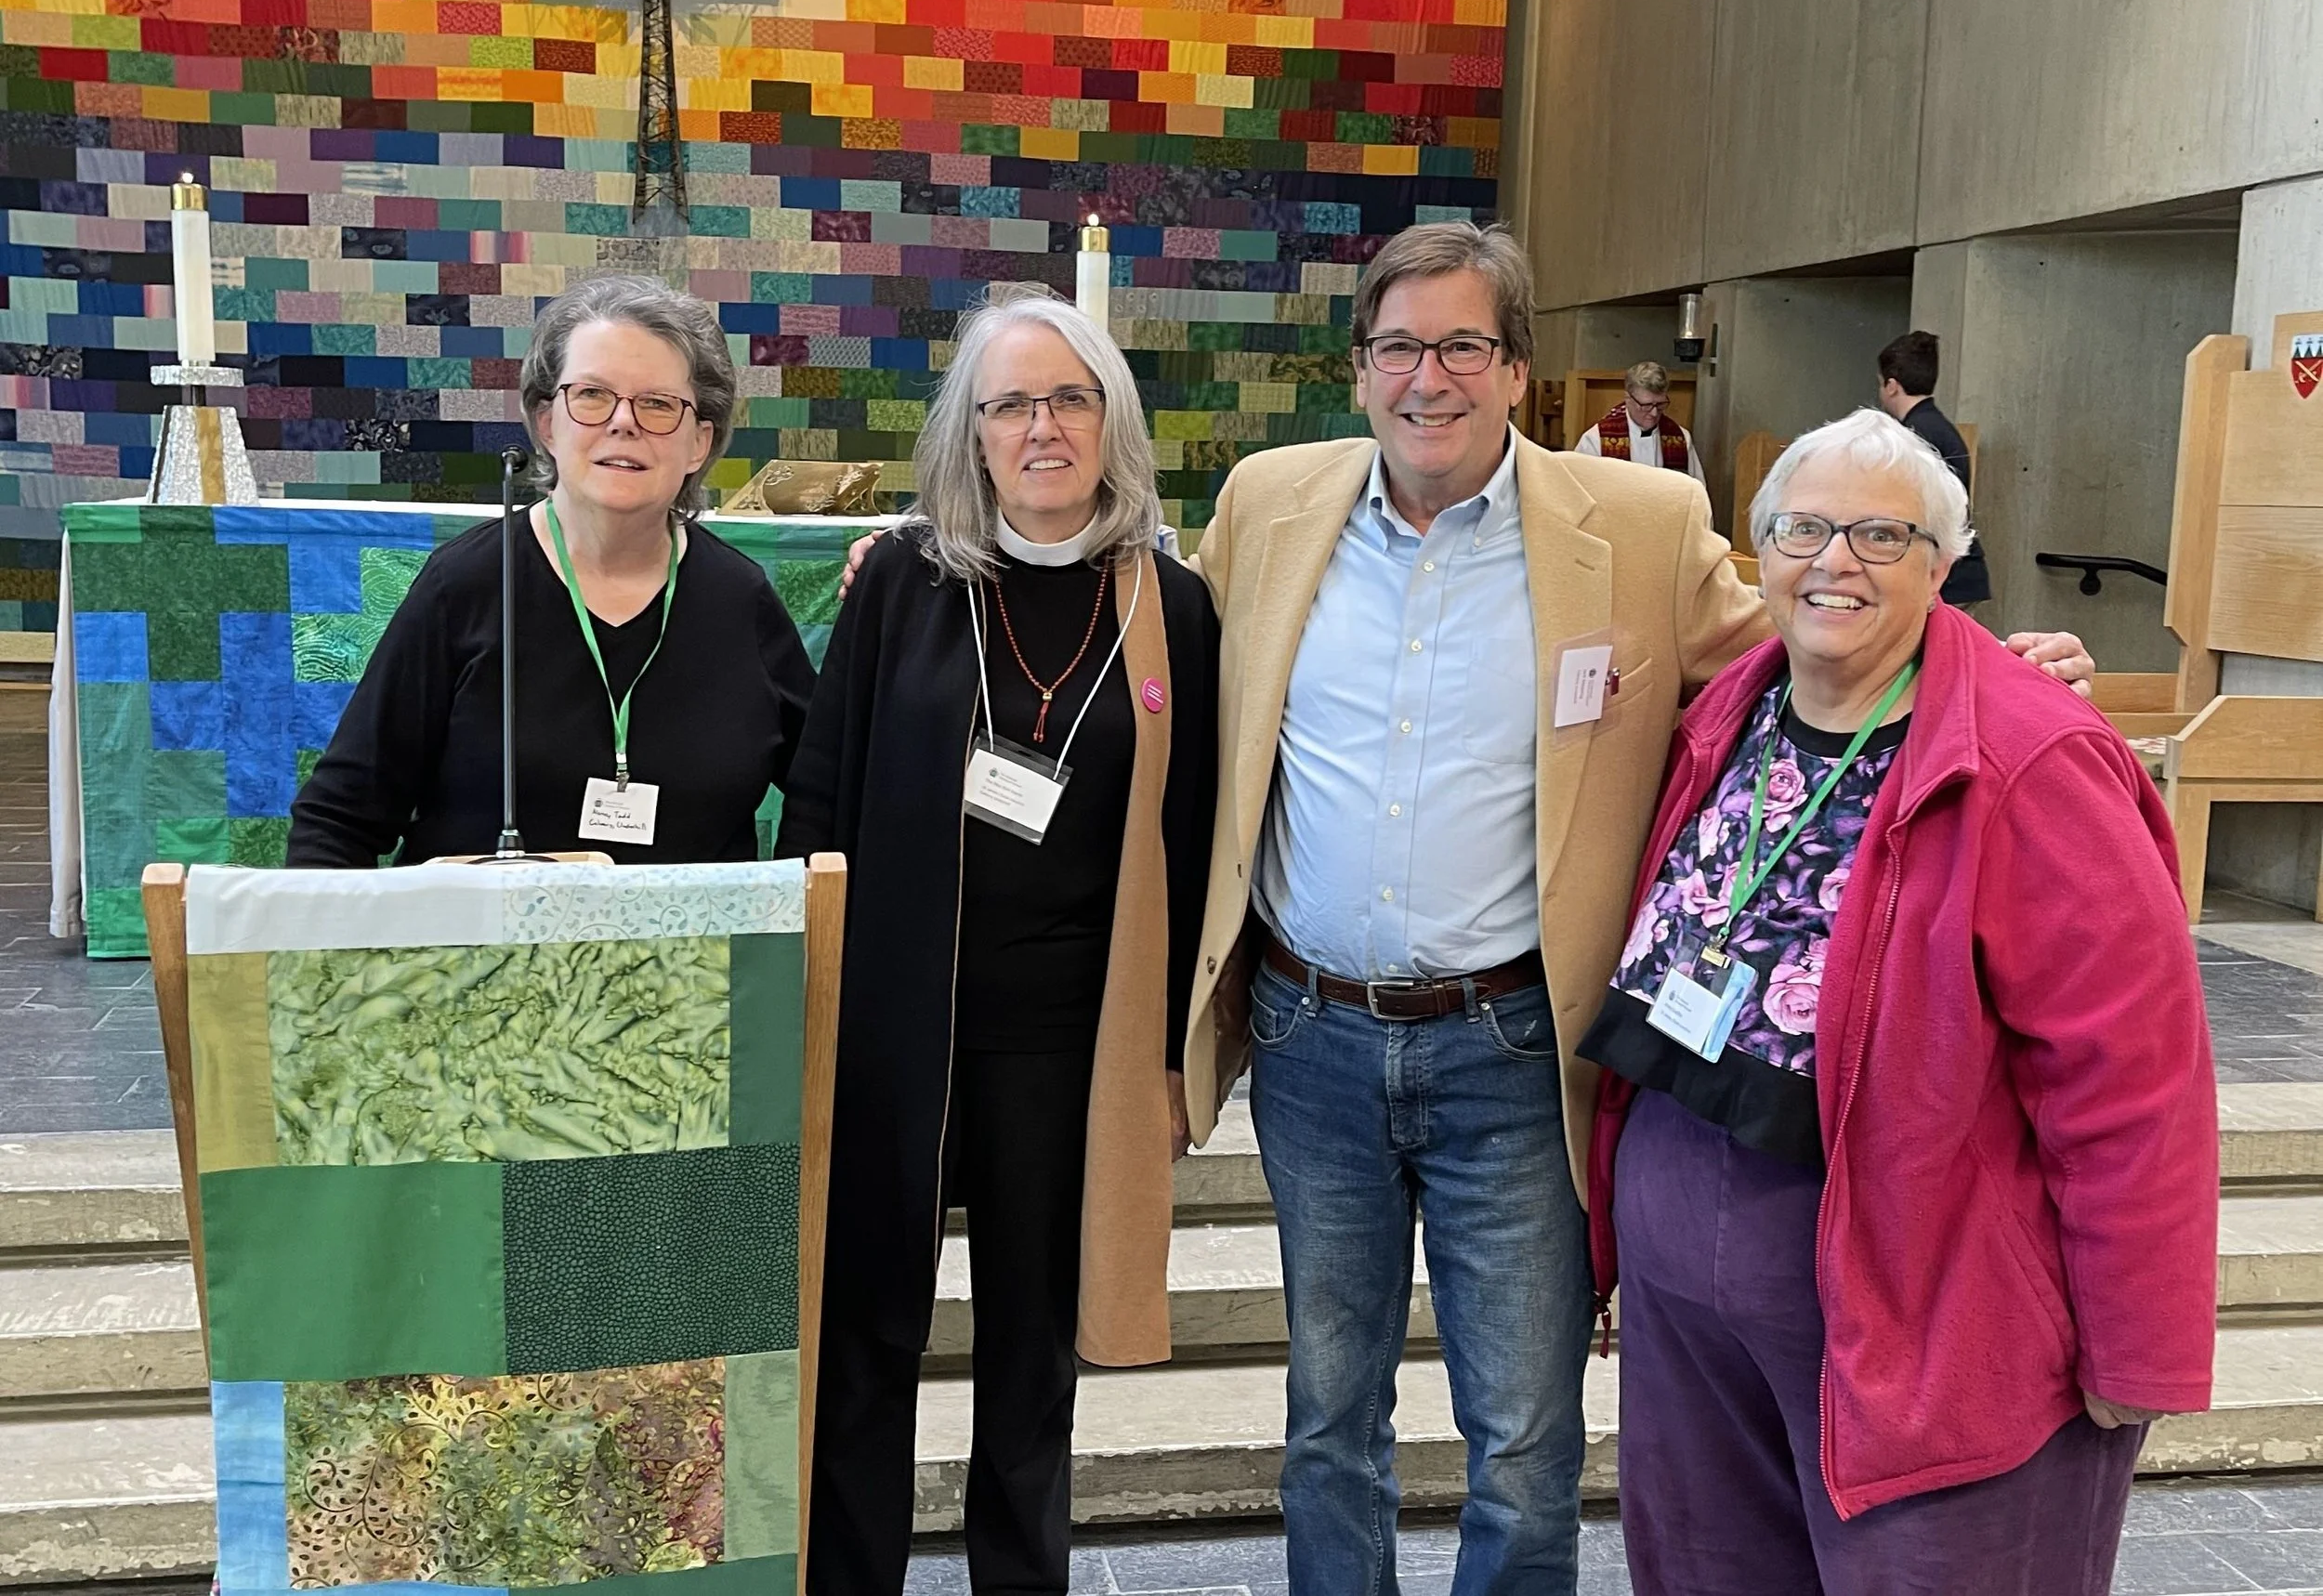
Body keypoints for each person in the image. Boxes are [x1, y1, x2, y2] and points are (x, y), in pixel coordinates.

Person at [1170, 222, 2096, 1596]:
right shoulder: (1266, 507)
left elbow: (1818, 628)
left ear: (1519, 368)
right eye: (1401, 348)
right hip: (1316, 1041)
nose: (1432, 379)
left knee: (1530, 1440)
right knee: (1327, 1426)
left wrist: (1994, 671)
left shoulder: (1645, 529)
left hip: (1520, 1051)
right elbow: (1174, 678)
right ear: (1358, 368)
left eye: (1465, 346)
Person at [1581, 407, 2214, 1596]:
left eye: (1882, 534)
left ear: (1944, 561)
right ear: (1755, 549)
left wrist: (2142, 1342)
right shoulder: (1725, 713)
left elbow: (2133, 1080)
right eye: (1804, 527)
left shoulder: (2030, 752)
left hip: (1926, 1298)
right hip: (1692, 1294)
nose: (1835, 561)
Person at [778, 291, 1219, 1596]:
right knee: (865, 1346)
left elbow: (1197, 832)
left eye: (1069, 399)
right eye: (1011, 404)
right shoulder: (905, 583)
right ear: (972, 435)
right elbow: (819, 789)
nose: (1042, 427)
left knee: (1033, 1361)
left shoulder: (1171, 605)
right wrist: (803, 996)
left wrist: (1181, 1052)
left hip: (1067, 1044)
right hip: (890, 1027)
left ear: (1111, 423)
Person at [288, 273, 816, 866]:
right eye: (592, 395)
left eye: (658, 403)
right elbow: (338, 820)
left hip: (689, 956)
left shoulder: (741, 600)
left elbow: (827, 797)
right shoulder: (464, 585)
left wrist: (785, 929)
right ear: (547, 423)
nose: (624, 422)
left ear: (699, 442)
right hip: (478, 955)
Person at [1875, 328, 1991, 607]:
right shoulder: (1935, 426)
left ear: (1891, 386)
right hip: (1958, 573)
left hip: (1947, 577)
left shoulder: (1914, 436)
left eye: (1880, 384)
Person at [1572, 360, 1705, 481]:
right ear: (1628, 399)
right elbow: (1581, 489)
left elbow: (1696, 492)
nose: (1654, 413)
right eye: (1646, 405)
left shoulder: (1680, 438)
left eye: (1660, 405)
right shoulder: (1596, 439)